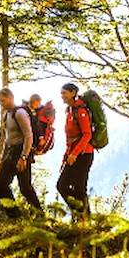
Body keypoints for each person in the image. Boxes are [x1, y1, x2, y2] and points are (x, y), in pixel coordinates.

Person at [0, 88, 43, 216]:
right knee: (1, 185)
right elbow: (8, 139)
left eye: (3, 100)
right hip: (11, 153)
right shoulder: (7, 115)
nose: (1, 103)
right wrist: (2, 158)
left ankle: (39, 214)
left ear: (11, 98)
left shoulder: (20, 113)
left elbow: (29, 136)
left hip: (21, 152)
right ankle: (14, 215)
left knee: (25, 188)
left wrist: (24, 157)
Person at [57, 82, 94, 220]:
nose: (62, 96)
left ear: (73, 93)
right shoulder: (69, 111)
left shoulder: (81, 111)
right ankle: (81, 215)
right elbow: (70, 138)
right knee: (62, 185)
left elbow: (87, 135)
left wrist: (74, 154)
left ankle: (84, 220)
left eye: (64, 93)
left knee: (79, 188)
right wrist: (67, 156)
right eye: (61, 93)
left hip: (84, 155)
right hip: (73, 154)